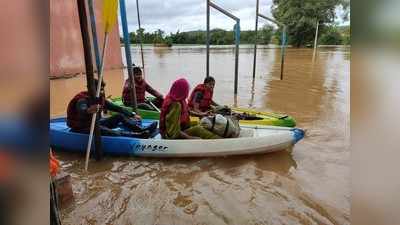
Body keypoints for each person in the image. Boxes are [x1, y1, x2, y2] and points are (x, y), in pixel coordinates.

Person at [67, 79, 157, 138]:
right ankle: (138, 135)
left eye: (102, 89)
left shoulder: (100, 98)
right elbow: (82, 110)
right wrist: (89, 110)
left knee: (119, 116)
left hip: (96, 123)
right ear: (90, 89)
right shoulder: (82, 99)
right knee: (111, 132)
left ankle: (141, 129)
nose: (102, 92)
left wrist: (133, 114)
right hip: (81, 127)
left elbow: (117, 108)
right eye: (99, 89)